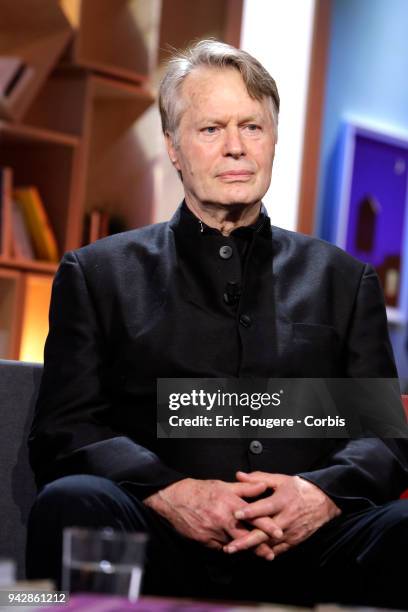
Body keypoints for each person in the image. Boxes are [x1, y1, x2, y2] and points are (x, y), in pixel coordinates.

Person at [26, 40, 408, 608]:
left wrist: (316, 495)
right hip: (161, 537)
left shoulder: (344, 281)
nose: (235, 147)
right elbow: (66, 428)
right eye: (211, 129)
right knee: (71, 501)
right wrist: (171, 491)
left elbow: (383, 438)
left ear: (274, 141)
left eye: (252, 127)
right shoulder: (98, 274)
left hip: (308, 547)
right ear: (173, 148)